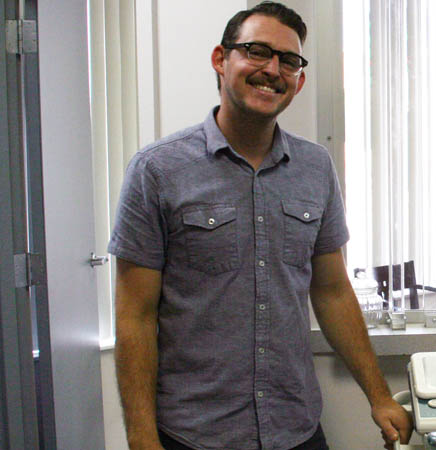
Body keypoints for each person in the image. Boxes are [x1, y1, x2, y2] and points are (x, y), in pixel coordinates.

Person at [108, 3, 411, 449]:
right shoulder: (156, 170)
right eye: (256, 51)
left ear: (299, 80)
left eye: (288, 60)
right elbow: (135, 316)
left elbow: (331, 290)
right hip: (194, 434)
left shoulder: (315, 167)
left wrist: (379, 395)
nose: (272, 70)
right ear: (221, 59)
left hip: (295, 428)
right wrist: (140, 436)